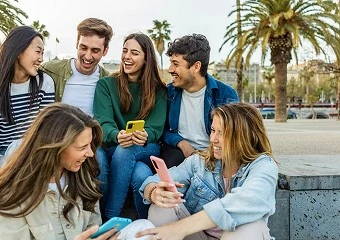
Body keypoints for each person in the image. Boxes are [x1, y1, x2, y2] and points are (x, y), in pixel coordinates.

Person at [0, 103, 120, 240]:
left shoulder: (84, 179)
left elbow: (93, 227)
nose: (91, 154)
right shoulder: (12, 193)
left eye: (90, 145)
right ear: (55, 147)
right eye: (82, 147)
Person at [135, 102, 278, 240]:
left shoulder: (263, 166)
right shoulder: (200, 162)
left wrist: (180, 228)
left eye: (222, 133)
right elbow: (152, 181)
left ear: (244, 136)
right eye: (213, 130)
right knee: (161, 207)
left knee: (251, 226)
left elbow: (249, 201)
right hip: (199, 236)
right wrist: (154, 192)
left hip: (236, 236)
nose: (212, 139)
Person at [93, 32, 167, 220]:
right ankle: (140, 223)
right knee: (140, 175)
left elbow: (156, 128)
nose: (127, 56)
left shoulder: (159, 90)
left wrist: (146, 134)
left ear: (146, 58)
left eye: (134, 53)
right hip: (112, 144)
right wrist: (117, 135)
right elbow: (103, 122)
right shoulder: (106, 85)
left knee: (127, 150)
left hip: (144, 147)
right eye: (125, 51)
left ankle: (109, 219)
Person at [0, 26, 55, 194]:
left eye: (42, 53)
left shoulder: (45, 83)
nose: (41, 59)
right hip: (0, 154)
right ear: (19, 51)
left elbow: (44, 133)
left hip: (32, 153)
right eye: (37, 52)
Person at [160, 34, 239, 168]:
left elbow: (235, 135)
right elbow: (162, 129)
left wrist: (209, 153)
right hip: (178, 153)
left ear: (196, 67)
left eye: (176, 64)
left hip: (215, 154)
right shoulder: (169, 92)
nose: (170, 69)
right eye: (170, 63)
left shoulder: (226, 94)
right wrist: (182, 143)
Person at [40, 17, 113, 115]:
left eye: (95, 50)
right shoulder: (49, 70)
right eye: (83, 48)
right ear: (76, 44)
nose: (88, 56)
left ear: (105, 51)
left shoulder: (108, 81)